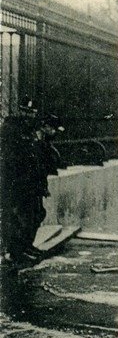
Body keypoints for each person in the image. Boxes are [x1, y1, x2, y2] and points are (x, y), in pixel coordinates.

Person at [1, 100, 61, 266]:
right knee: (21, 218)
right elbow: (9, 161)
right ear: (20, 111)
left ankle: (27, 246)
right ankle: (17, 251)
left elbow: (38, 160)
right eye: (25, 111)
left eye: (32, 112)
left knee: (37, 214)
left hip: (32, 184)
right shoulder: (10, 130)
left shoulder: (31, 131)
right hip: (18, 184)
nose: (29, 115)